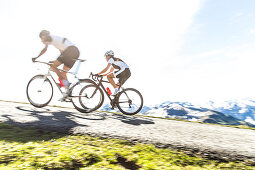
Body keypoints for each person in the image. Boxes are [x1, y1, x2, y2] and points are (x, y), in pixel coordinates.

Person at [32, 30, 80, 101]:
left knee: (53, 67)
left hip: (70, 50)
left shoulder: (49, 38)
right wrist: (54, 61)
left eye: (41, 38)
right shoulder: (56, 41)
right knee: (63, 74)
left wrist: (36, 57)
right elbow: (63, 55)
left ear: (44, 36)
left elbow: (45, 49)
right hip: (75, 51)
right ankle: (67, 92)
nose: (41, 40)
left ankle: (66, 84)